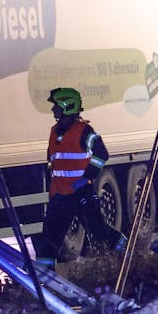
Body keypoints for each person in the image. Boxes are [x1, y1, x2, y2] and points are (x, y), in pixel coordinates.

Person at [35, 87, 127, 268]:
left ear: (67, 106)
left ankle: (126, 253)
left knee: (98, 232)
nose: (53, 110)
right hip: (60, 195)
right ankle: (44, 279)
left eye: (56, 106)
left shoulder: (84, 130)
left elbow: (102, 154)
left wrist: (87, 178)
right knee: (50, 238)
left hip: (81, 192)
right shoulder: (54, 131)